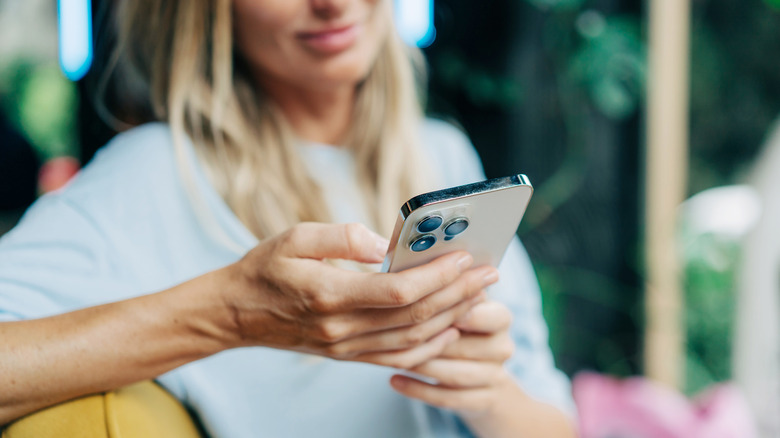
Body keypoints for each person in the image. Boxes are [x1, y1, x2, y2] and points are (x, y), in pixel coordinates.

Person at [0, 1, 576, 436]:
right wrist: (229, 316)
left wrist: (485, 394)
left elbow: (557, 424)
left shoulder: (440, 152)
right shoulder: (159, 173)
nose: (332, 3)